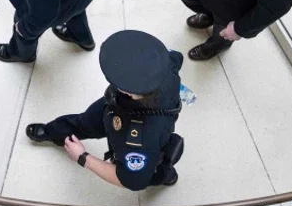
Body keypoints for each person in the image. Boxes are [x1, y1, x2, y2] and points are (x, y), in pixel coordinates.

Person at [25, 30, 184, 189]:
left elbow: (130, 181)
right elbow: (178, 57)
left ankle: (166, 175)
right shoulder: (165, 62)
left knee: (153, 173)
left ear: (128, 90)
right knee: (83, 122)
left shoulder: (141, 142)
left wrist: (82, 157)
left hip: (135, 128)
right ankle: (53, 132)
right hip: (114, 106)